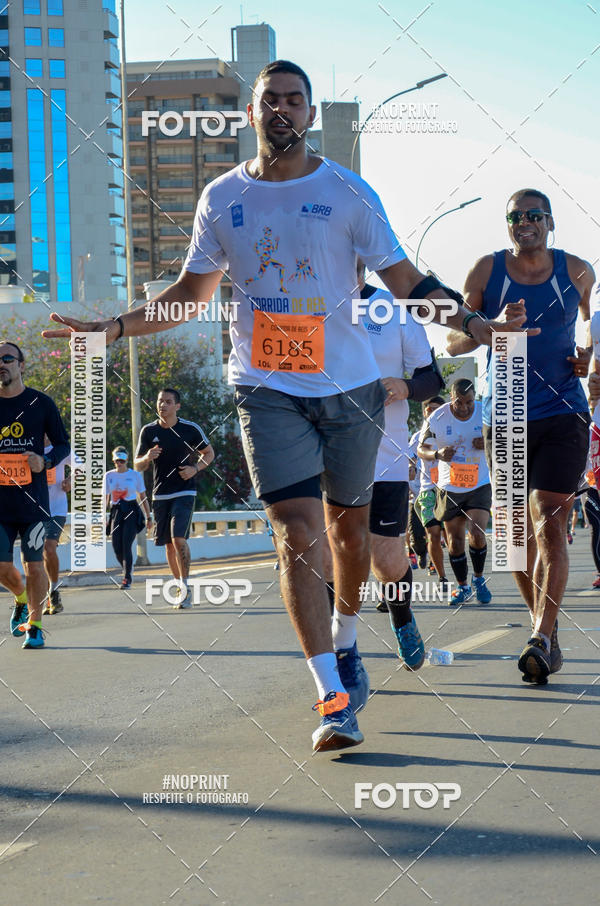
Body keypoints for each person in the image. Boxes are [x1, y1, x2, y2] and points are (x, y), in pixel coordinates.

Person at [44, 61, 529, 751]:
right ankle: (332, 694)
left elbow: (407, 278)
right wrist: (117, 326)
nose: (282, 110)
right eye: (270, 100)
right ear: (250, 113)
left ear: (307, 115)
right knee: (296, 534)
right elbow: (191, 291)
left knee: (349, 539)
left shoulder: (348, 193)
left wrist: (476, 326)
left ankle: (350, 638)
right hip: (266, 391)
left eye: (294, 101)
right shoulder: (221, 198)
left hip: (351, 393)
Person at [447, 189, 594, 682]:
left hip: (563, 413)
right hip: (505, 411)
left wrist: (589, 357)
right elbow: (453, 338)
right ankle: (544, 630)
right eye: (515, 216)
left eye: (533, 215)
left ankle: (541, 634)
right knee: (513, 539)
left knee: (548, 519)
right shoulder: (485, 271)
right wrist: (489, 326)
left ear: (550, 222)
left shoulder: (577, 270)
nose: (523, 223)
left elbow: (590, 326)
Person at [357, 262, 443, 669]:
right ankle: (339, 652)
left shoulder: (391, 309)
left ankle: (402, 617)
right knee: (324, 556)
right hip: (322, 455)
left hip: (384, 458)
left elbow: (431, 378)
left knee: (386, 560)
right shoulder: (309, 306)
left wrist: (406, 386)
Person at [0, 341, 70, 649]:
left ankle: (36, 625)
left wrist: (46, 461)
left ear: (21, 365)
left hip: (34, 504)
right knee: (2, 567)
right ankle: (21, 597)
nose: (2, 363)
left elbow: (63, 444)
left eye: (7, 358)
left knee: (34, 565)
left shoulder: (41, 403)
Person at [135, 389, 214, 608]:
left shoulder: (189, 429)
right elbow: (137, 464)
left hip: (185, 491)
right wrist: (146, 457)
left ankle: (186, 586)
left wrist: (195, 469)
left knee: (179, 538)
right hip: (160, 494)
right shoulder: (149, 431)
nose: (163, 405)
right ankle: (179, 584)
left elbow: (209, 453)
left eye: (168, 402)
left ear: (177, 406)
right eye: (160, 401)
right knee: (168, 545)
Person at [418, 380, 492, 605]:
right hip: (449, 485)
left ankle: (479, 578)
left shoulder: (484, 411)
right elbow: (422, 449)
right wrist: (438, 455)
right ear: (452, 398)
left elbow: (509, 437)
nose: (465, 408)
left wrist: (490, 442)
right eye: (460, 403)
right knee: (455, 541)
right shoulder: (437, 417)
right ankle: (462, 587)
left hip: (479, 482)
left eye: (469, 402)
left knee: (477, 532)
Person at [412, 397, 448, 589]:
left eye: (436, 409)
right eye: (428, 410)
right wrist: (410, 468)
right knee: (433, 534)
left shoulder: (451, 431)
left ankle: (462, 573)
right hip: (427, 491)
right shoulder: (418, 436)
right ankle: (442, 577)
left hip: (449, 489)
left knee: (452, 535)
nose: (431, 413)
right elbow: (409, 457)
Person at [105, 446, 152, 589]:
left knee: (126, 544)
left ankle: (127, 578)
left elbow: (142, 497)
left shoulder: (135, 475)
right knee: (116, 546)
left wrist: (149, 517)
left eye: (122, 461)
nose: (119, 463)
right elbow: (105, 498)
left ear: (126, 460)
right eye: (116, 461)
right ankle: (127, 568)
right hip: (116, 511)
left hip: (131, 510)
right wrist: (103, 516)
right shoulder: (109, 476)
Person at [42, 434, 70, 615]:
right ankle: (49, 593)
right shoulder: (31, 447)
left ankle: (53, 590)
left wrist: (70, 481)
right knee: (42, 554)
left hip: (57, 508)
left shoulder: (61, 449)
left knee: (49, 547)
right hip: (36, 508)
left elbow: (82, 466)